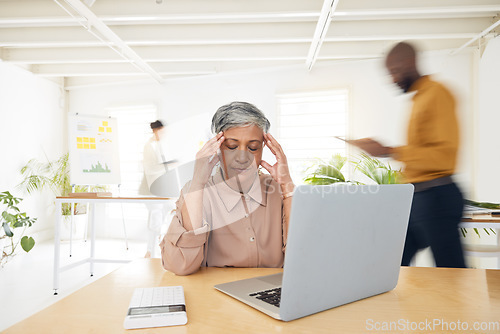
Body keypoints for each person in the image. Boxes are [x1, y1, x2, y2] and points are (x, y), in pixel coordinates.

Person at [349, 42, 466, 268]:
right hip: (418, 198)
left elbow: (443, 157)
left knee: (452, 273)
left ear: (410, 62)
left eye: (395, 71)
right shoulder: (418, 98)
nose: (392, 79)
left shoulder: (437, 94)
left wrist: (389, 151)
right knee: (392, 265)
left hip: (437, 196)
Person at [160, 101, 295, 275]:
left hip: (272, 297)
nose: (242, 157)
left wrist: (287, 185)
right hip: (216, 298)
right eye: (232, 146)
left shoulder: (278, 190)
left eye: (253, 147)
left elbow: (303, 257)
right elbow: (181, 265)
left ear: (263, 148)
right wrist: (197, 184)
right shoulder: (197, 193)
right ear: (217, 147)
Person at [139, 120, 171, 258]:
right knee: (155, 220)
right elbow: (151, 168)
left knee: (164, 217)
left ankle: (157, 249)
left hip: (162, 188)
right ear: (157, 130)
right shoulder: (149, 146)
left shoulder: (159, 145)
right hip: (152, 189)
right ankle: (150, 251)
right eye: (162, 131)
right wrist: (167, 165)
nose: (163, 134)